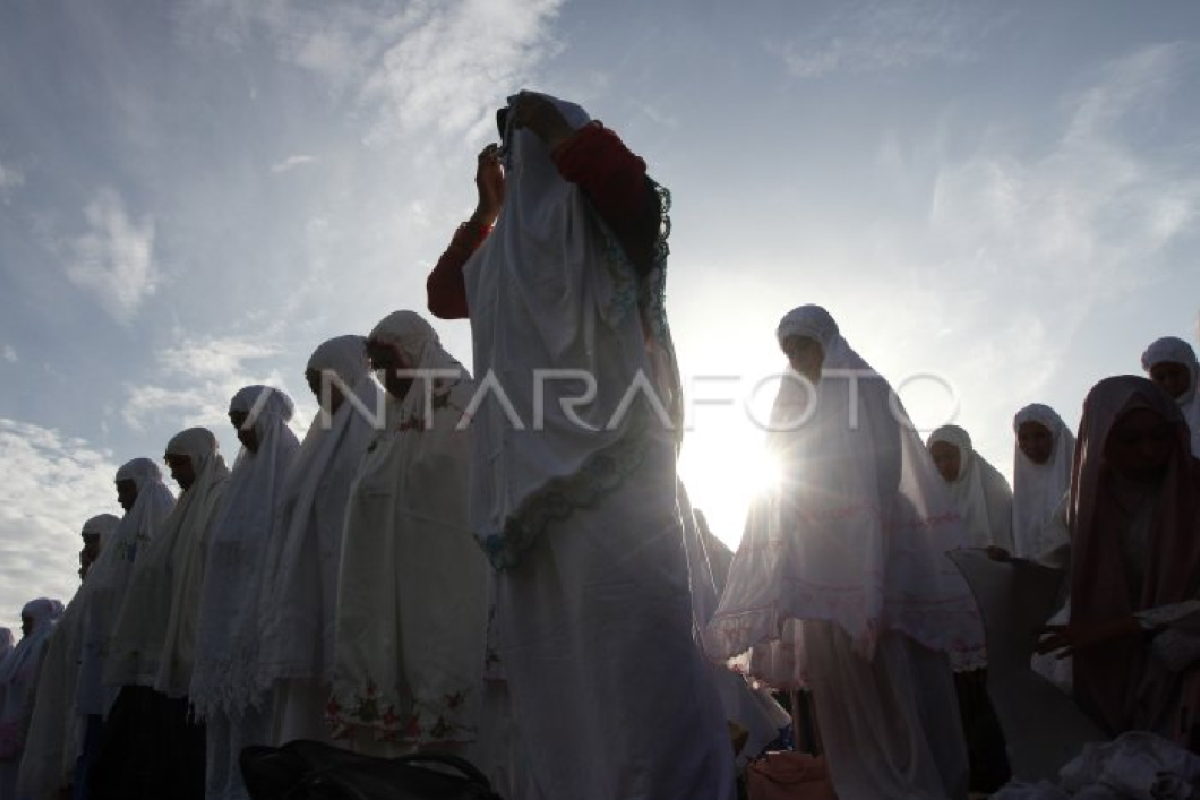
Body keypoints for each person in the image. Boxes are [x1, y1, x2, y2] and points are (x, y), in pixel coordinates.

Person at [427, 92, 734, 800]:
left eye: (523, 139)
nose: (516, 150)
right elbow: (444, 295)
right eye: (509, 145)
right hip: (525, 501)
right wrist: (484, 212)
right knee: (555, 683)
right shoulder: (500, 256)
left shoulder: (597, 218)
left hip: (614, 466)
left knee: (639, 660)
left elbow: (627, 184)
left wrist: (553, 121)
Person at [707, 304, 981, 800]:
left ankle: (917, 781)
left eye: (805, 345)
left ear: (827, 341)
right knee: (842, 681)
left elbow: (884, 470)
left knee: (895, 672)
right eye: (790, 350)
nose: (798, 357)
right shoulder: (789, 405)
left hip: (883, 548)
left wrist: (856, 534)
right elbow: (780, 478)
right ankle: (862, 783)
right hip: (820, 563)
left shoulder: (868, 389)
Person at [331, 311, 490, 757]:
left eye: (390, 361)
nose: (383, 376)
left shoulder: (465, 401)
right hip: (387, 587)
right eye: (377, 366)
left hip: (451, 582)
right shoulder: (387, 424)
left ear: (415, 351)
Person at [1038, 375, 1200, 748]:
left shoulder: (1194, 491)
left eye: (1158, 437)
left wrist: (1122, 626)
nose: (1147, 451)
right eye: (1130, 440)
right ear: (1102, 438)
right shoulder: (1081, 506)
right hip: (1111, 666)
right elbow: (1049, 568)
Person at [257, 336, 382, 745]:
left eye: (321, 383)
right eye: (311, 387)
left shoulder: (376, 420)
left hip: (358, 582)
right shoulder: (320, 440)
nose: (317, 395)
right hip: (312, 589)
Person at [96, 430, 229, 800]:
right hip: (159, 653)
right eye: (170, 465)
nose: (174, 473)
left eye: (180, 463)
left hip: (191, 647)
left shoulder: (218, 497)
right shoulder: (182, 510)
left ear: (201, 458)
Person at [191, 387, 298, 800]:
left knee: (264, 734)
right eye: (234, 425)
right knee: (229, 733)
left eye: (245, 422)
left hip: (266, 622)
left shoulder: (291, 465)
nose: (240, 434)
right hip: (227, 626)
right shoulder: (242, 482)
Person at [16, 515, 118, 800]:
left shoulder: (110, 589)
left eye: (92, 542)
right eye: (84, 544)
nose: (87, 552)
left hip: (97, 700)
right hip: (73, 697)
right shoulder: (84, 595)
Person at [0, 598, 63, 800]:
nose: (24, 625)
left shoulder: (44, 646)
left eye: (28, 620)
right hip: (11, 721)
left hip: (31, 721)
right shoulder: (23, 648)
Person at [927, 424, 1015, 553]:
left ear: (964, 452)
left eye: (950, 456)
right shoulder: (933, 492)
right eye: (936, 459)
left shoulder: (991, 484)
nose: (943, 465)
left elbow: (1002, 535)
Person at [1011, 404, 1074, 559]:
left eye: (1039, 436)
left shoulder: (1081, 469)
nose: (1032, 444)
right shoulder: (1022, 487)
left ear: (1055, 433)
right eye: (1024, 438)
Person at [1141, 336, 1200, 457]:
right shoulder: (1149, 416)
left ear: (1191, 370)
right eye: (1160, 377)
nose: (1169, 382)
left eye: (1174, 373)